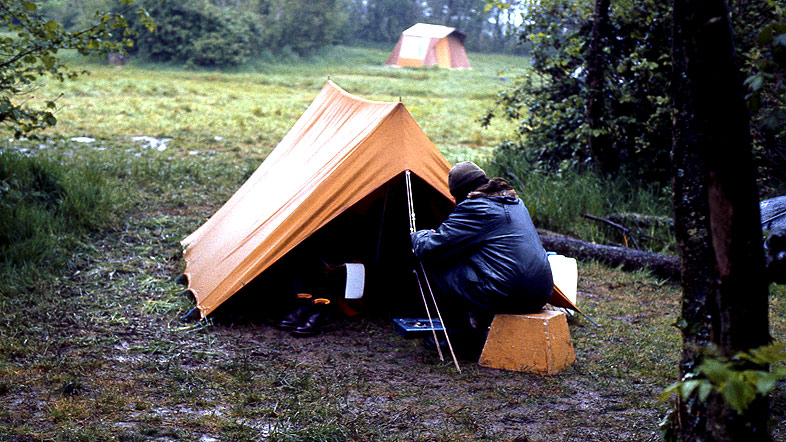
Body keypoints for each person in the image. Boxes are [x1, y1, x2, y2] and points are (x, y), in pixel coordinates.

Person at [410, 161, 554, 358]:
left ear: (460, 192)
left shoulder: (475, 207)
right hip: (542, 292)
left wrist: (420, 235)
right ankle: (478, 330)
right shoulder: (514, 202)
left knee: (436, 263)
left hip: (511, 294)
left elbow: (431, 247)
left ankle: (458, 340)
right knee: (483, 270)